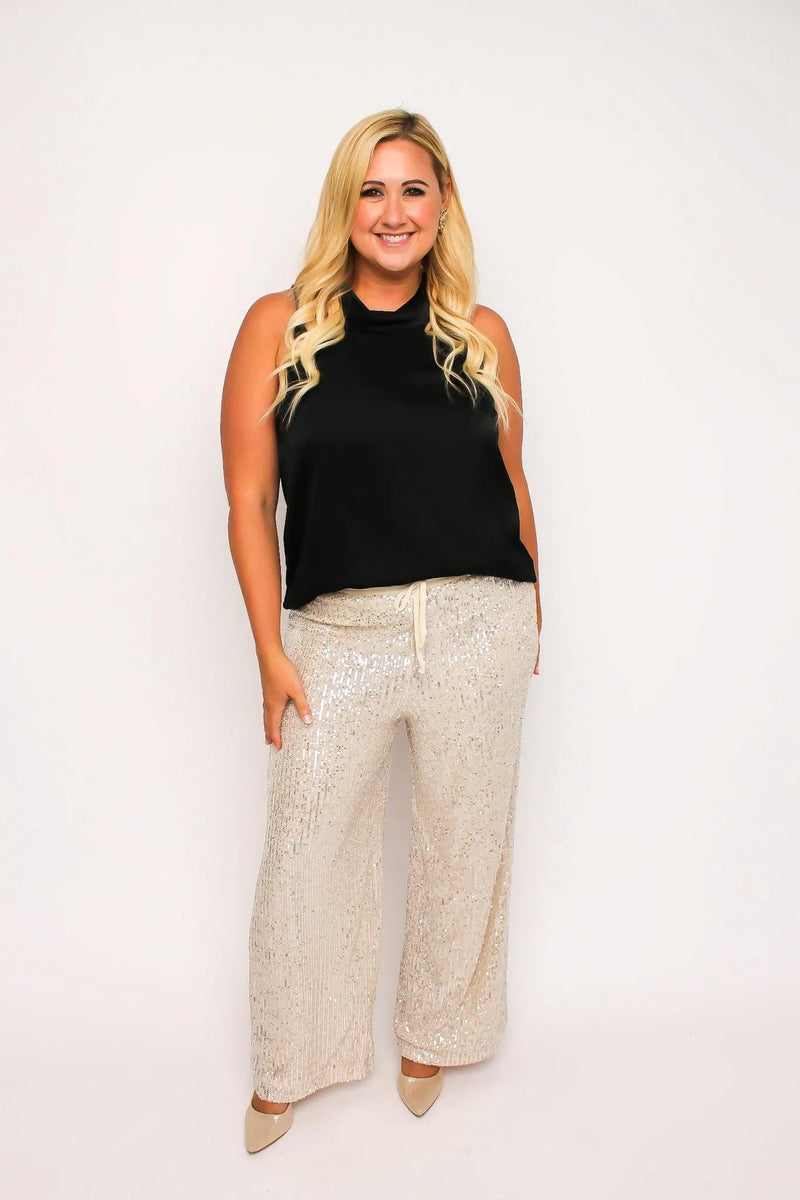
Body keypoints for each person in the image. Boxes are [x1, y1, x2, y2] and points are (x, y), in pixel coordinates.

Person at [220, 108, 542, 1153]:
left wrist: (532, 612)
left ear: (441, 206)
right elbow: (248, 499)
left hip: (478, 621)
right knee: (304, 856)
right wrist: (270, 651)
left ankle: (434, 1036)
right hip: (336, 633)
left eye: (412, 190)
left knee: (464, 846)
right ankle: (288, 1063)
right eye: (371, 189)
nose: (392, 212)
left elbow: (511, 479)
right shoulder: (280, 325)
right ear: (344, 207)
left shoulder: (481, 334)